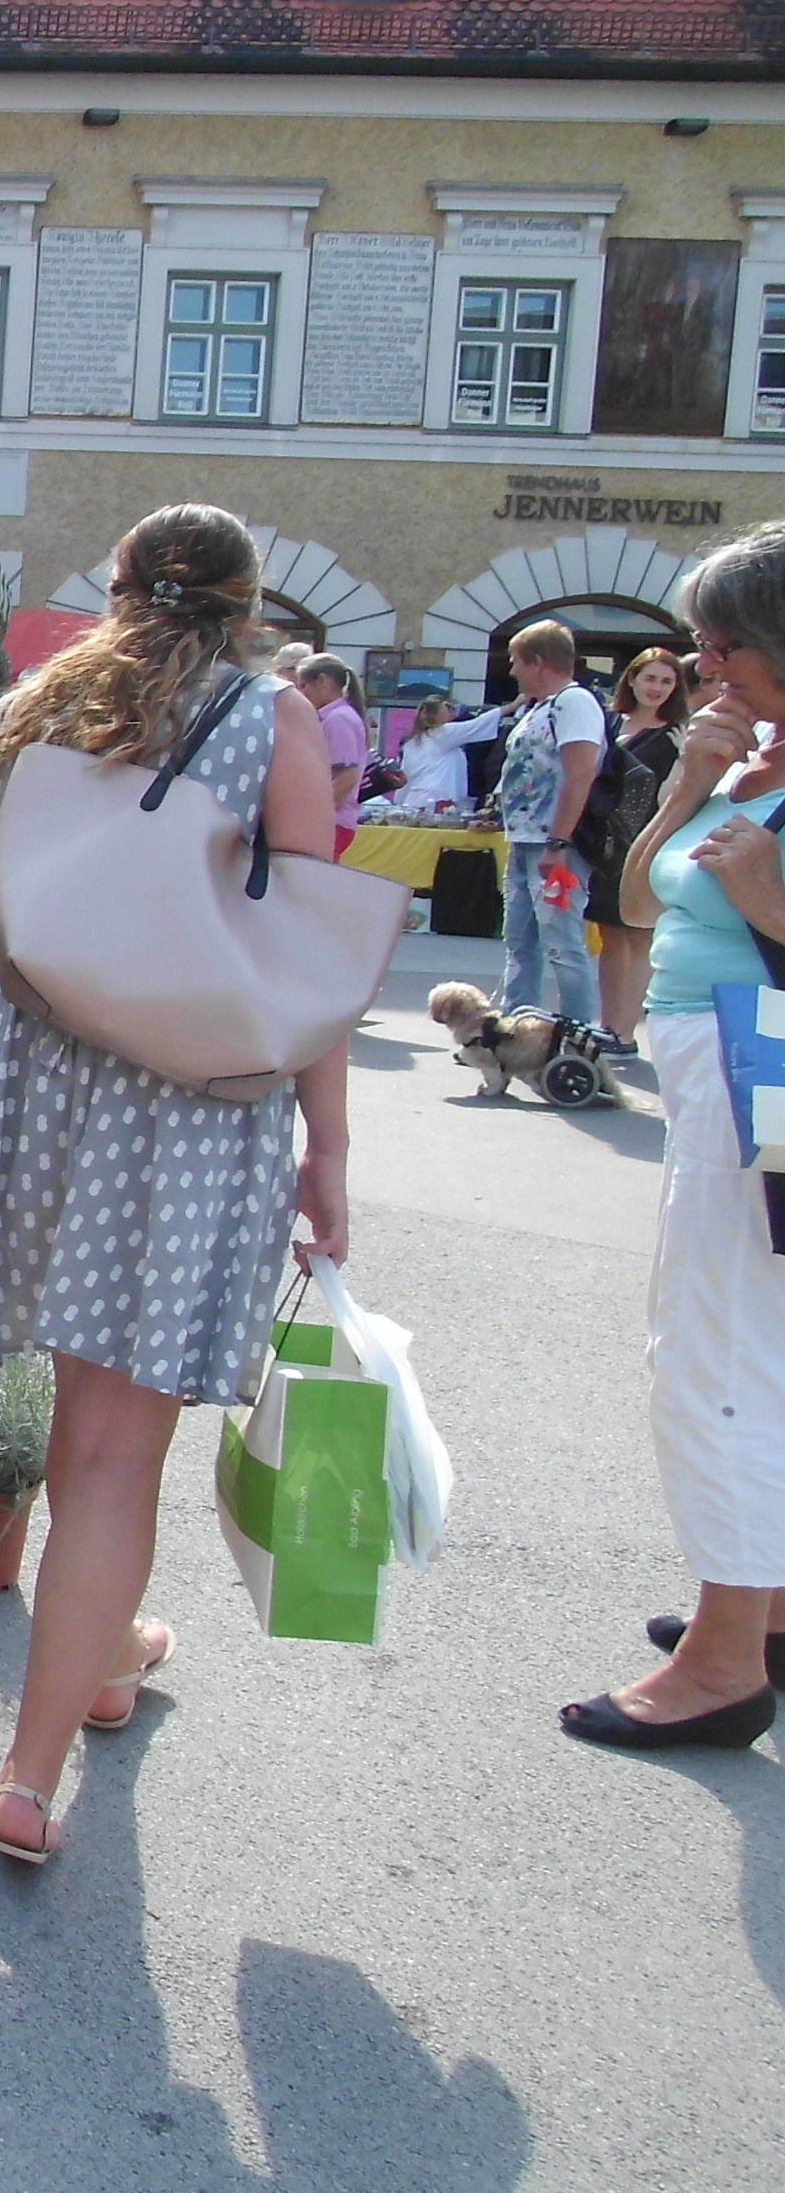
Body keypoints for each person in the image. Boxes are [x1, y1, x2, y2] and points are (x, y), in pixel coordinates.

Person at [0, 504, 348, 1865]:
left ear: (118, 589)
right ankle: (31, 1776)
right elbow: (310, 965)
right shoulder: (277, 723)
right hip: (187, 1101)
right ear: (250, 602)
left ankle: (102, 1658)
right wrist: (330, 1153)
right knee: (113, 1449)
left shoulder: (35, 710)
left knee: (77, 1424)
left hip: (37, 1084)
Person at [569, 526, 785, 1751]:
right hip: (728, 1064)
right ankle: (758, 1611)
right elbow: (640, 903)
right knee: (749, 1345)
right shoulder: (752, 754)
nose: (703, 662)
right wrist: (689, 790)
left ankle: (722, 1660)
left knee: (718, 1361)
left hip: (759, 1070)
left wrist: (766, 899)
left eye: (728, 641)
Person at [484, 621, 609, 1030]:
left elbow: (580, 774)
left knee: (562, 944)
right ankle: (514, 1027)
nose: (512, 671)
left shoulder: (574, 703)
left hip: (554, 844)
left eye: (517, 662)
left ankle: (577, 1033)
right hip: (524, 839)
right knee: (519, 942)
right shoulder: (538, 707)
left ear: (538, 662)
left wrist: (559, 841)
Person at [594, 647, 693, 1050]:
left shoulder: (674, 735)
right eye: (650, 678)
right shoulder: (610, 723)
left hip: (647, 842)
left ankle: (626, 1031)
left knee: (637, 937)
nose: (657, 688)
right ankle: (607, 1025)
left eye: (666, 681)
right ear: (631, 679)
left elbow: (675, 796)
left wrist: (687, 757)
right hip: (603, 844)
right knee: (609, 937)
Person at [297, 656, 370, 856]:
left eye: (304, 685)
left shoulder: (338, 719)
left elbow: (347, 776)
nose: (301, 693)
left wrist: (315, 816)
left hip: (332, 822)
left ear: (323, 681)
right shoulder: (339, 716)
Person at [391, 691, 488, 812]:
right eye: (448, 711)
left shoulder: (411, 743)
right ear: (436, 716)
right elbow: (477, 725)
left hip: (413, 800)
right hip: (437, 801)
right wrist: (510, 707)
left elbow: (405, 776)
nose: (453, 716)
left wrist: (398, 803)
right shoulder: (443, 734)